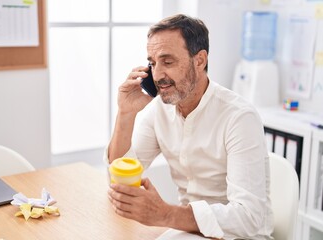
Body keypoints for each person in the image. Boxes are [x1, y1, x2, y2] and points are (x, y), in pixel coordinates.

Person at [105, 14, 274, 240]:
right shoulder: (160, 110)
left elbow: (248, 218)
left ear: (200, 60)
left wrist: (164, 214)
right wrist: (125, 114)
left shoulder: (239, 117)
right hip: (190, 230)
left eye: (168, 61)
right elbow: (120, 177)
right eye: (153, 63)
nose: (156, 75)